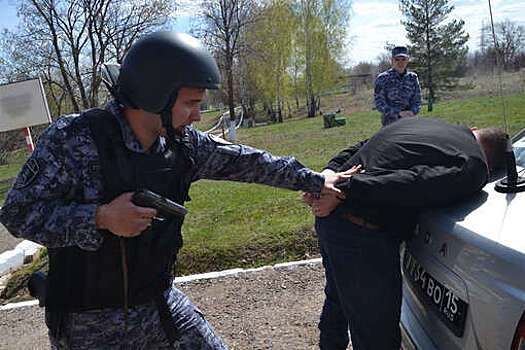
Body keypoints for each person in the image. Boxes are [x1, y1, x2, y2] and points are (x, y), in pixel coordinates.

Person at [0, 31, 355, 349]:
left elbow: (249, 163)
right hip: (88, 325)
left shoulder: (182, 145)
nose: (198, 115)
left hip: (159, 304)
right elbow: (17, 213)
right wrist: (101, 218)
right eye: (191, 103)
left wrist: (314, 180)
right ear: (155, 96)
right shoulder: (75, 139)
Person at [303, 118, 506, 350]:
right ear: (491, 169)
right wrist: (341, 191)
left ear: (474, 130)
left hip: (330, 219)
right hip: (360, 235)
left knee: (338, 296)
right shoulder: (474, 165)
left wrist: (324, 180)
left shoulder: (427, 124)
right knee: (377, 338)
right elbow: (413, 183)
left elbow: (364, 145)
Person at [374, 46, 422, 127]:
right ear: (392, 60)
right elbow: (379, 104)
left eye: (403, 59)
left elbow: (417, 101)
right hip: (389, 124)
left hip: (409, 123)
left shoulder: (413, 78)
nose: (400, 63)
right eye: (397, 60)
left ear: (407, 60)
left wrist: (412, 111)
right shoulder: (382, 78)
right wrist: (398, 113)